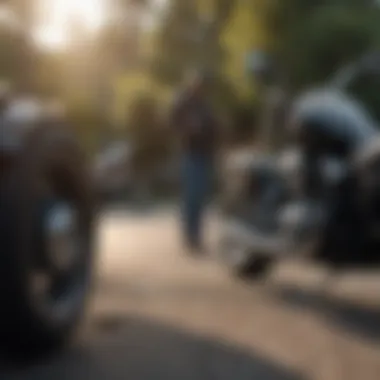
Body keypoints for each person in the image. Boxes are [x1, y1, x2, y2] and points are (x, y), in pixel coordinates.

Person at [170, 69, 219, 254]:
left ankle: (196, 236)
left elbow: (213, 127)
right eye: (198, 83)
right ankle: (189, 237)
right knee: (191, 197)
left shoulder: (204, 104)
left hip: (205, 154)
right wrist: (187, 128)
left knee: (200, 198)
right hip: (190, 154)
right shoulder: (183, 101)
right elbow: (172, 120)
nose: (200, 87)